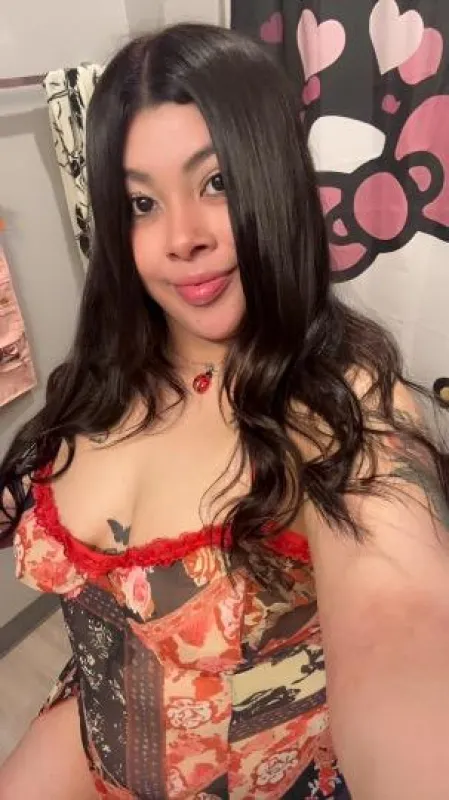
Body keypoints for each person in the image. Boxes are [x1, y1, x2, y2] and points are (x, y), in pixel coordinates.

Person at [0, 22, 449, 800]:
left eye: (217, 183)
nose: (182, 238)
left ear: (275, 178)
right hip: (89, 733)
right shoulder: (101, 375)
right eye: (141, 202)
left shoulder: (342, 406)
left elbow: (399, 630)